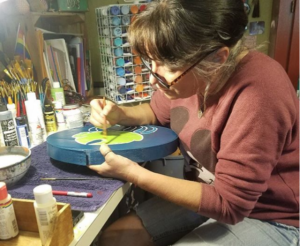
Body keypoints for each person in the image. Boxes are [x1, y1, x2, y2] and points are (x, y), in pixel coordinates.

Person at [89, 0, 299, 245]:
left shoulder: (259, 95)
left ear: (217, 58)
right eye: (151, 61)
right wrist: (121, 114)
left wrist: (133, 174)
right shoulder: (190, 73)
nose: (153, 79)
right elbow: (157, 112)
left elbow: (230, 205)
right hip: (210, 194)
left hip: (272, 215)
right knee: (116, 238)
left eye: (168, 66)